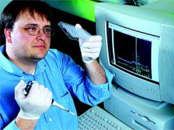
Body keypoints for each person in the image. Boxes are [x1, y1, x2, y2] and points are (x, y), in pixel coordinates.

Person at [0, 1, 113, 130]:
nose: (42, 36)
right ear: (9, 34)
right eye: (32, 28)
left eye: (46, 30)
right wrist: (27, 117)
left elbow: (96, 95)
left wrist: (90, 60)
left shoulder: (55, 59)